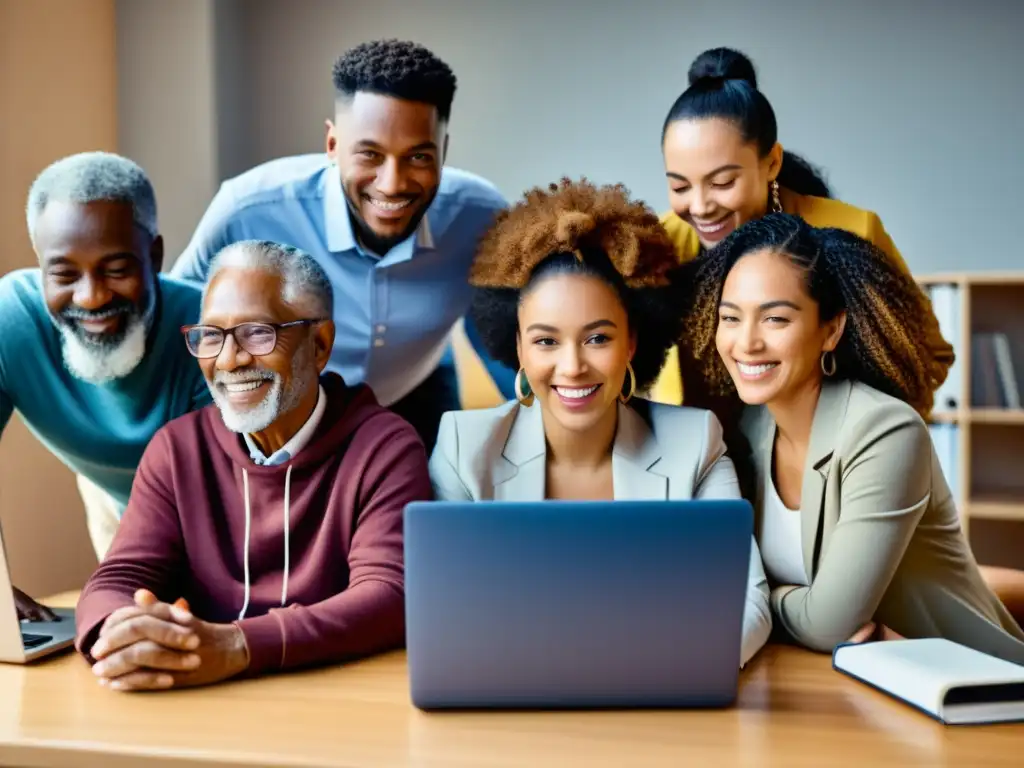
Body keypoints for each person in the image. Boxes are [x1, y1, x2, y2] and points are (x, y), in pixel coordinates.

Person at [428, 178, 772, 668]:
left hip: (660, 697)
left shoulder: (695, 443)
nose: (572, 367)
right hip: (519, 702)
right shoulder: (465, 449)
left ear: (632, 342)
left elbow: (749, 603)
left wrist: (648, 668)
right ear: (517, 347)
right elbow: (449, 609)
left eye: (597, 339)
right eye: (546, 341)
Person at [75, 241, 429, 691]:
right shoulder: (176, 449)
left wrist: (237, 646)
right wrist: (126, 633)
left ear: (319, 345)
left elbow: (388, 597)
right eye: (211, 335)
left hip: (335, 704)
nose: (228, 360)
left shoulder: (385, 447)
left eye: (258, 333)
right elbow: (117, 578)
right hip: (202, 700)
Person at [679, 212, 1024, 662]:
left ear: (831, 329)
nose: (746, 342)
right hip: (865, 685)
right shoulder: (749, 427)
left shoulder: (884, 432)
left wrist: (757, 600)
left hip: (974, 690)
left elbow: (829, 625)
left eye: (775, 319)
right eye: (730, 317)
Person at [170, 39, 516, 452]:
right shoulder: (245, 210)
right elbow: (177, 320)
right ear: (332, 145)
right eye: (369, 154)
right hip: (284, 403)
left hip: (417, 393)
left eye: (418, 157)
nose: (392, 183)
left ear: (443, 151)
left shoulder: (482, 217)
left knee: (429, 513)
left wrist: (533, 425)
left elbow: (503, 339)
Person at [649, 47, 952, 406]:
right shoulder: (658, 249)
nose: (699, 207)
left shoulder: (855, 232)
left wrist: (856, 440)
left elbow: (928, 358)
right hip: (703, 456)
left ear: (772, 162)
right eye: (680, 186)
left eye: (723, 183)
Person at [0, 151, 210, 617]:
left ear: (153, 256)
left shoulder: (209, 328)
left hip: (212, 515)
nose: (91, 297)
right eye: (64, 274)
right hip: (111, 503)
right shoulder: (11, 320)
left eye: (117, 270)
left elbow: (234, 499)